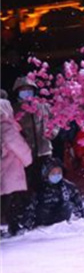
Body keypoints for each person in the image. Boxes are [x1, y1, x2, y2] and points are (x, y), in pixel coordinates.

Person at [18, 158, 84, 232]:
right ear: (46, 174)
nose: (57, 175)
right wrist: (27, 224)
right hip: (44, 221)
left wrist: (80, 214)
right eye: (53, 173)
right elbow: (30, 208)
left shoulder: (67, 186)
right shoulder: (39, 189)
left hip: (63, 219)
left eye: (59, 172)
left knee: (68, 205)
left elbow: (76, 200)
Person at [1, 94, 33, 236]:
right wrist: (28, 159)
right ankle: (15, 226)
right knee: (12, 200)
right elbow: (17, 145)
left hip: (4, 167)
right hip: (11, 168)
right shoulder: (6, 126)